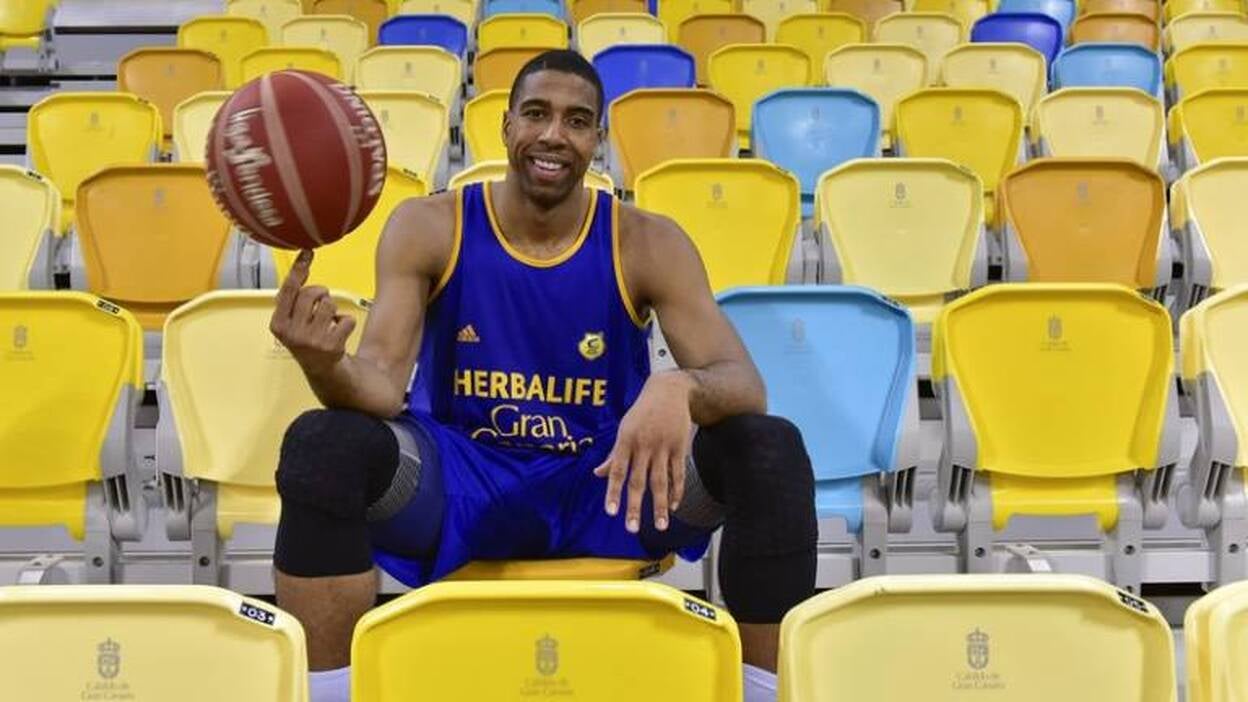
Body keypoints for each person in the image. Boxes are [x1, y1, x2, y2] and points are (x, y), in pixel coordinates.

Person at [269, 49, 817, 702]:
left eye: (577, 121)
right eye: (536, 114)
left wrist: (679, 386)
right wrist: (325, 364)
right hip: (463, 484)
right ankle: (328, 693)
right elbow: (382, 387)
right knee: (321, 444)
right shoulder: (429, 226)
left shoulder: (647, 241)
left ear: (597, 140)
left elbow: (745, 385)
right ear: (505, 127)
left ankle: (762, 693)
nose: (554, 134)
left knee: (768, 448)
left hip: (611, 483)